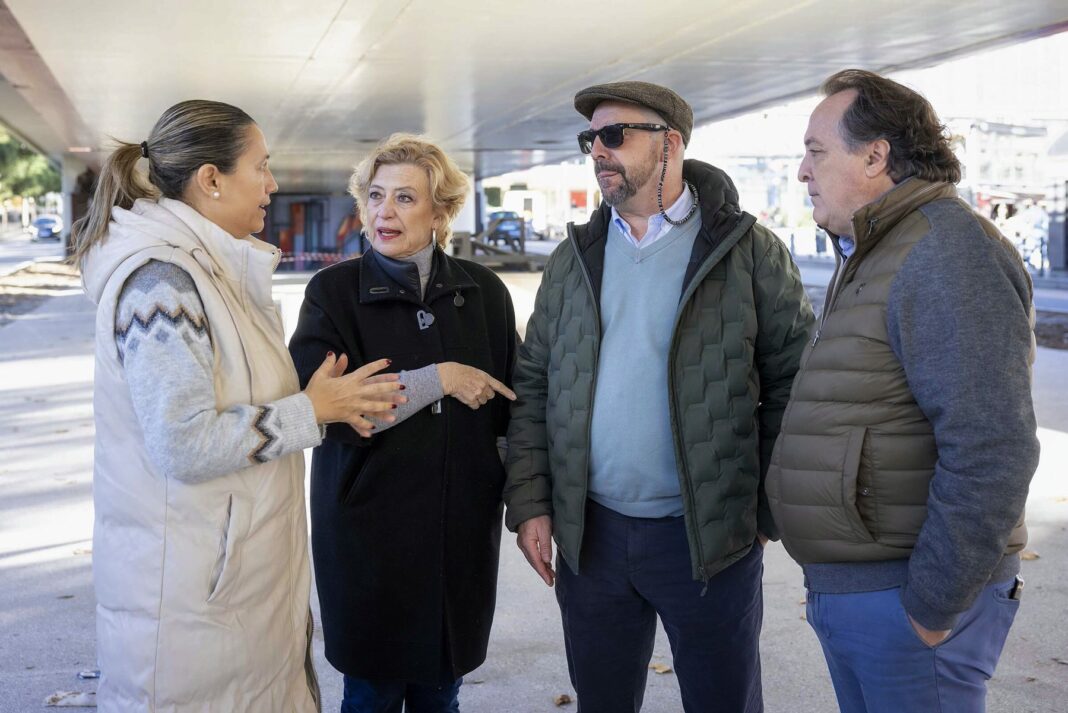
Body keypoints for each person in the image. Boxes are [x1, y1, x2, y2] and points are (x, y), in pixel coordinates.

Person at [74, 100, 404, 712]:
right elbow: (182, 442)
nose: (273, 185)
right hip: (193, 601)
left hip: (229, 585)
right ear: (211, 178)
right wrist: (313, 410)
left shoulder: (211, 269)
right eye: (262, 167)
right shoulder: (161, 285)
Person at [503, 81, 814, 713]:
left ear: (669, 143)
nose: (598, 151)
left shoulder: (748, 252)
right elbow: (533, 381)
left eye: (614, 136)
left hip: (706, 539)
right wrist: (532, 503)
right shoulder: (574, 257)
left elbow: (795, 382)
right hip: (592, 537)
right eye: (591, 139)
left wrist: (761, 511)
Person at [766, 69, 1040, 713]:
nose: (803, 172)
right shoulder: (876, 249)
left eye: (815, 151)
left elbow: (992, 445)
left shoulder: (946, 251)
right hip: (867, 590)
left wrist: (933, 606)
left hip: (907, 601)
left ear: (875, 155)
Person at [288, 133, 518, 713]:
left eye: (405, 198)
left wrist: (527, 498)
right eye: (374, 195)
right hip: (369, 538)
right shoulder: (332, 294)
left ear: (440, 212)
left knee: (443, 691)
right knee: (371, 692)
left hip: (459, 533)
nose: (383, 212)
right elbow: (332, 410)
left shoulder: (485, 292)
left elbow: (517, 406)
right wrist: (437, 377)